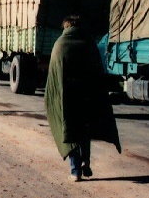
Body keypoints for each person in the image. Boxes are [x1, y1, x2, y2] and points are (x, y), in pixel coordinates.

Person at [44, 14, 121, 182]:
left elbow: (53, 80)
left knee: (69, 133)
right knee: (84, 133)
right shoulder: (89, 44)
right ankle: (85, 161)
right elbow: (98, 74)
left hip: (67, 100)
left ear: (65, 27)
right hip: (87, 98)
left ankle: (75, 170)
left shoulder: (60, 45)